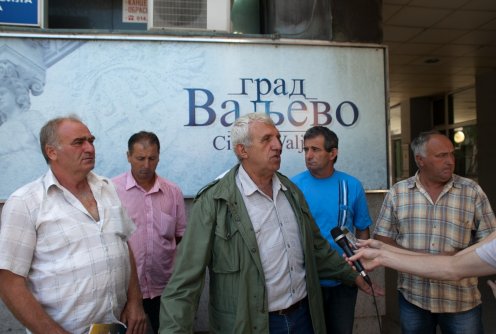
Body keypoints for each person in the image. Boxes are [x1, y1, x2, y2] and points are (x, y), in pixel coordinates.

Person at [159, 112, 380, 333]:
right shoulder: (214, 201)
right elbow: (184, 283)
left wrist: (352, 276)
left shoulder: (291, 192)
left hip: (303, 318)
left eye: (278, 138)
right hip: (253, 325)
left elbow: (318, 249)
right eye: (266, 139)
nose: (277, 145)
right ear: (242, 150)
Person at [0, 116, 147, 334]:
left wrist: (135, 302)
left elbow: (123, 246)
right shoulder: (25, 203)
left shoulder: (107, 188)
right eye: (79, 142)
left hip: (116, 327)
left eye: (91, 140)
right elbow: (9, 282)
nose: (90, 148)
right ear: (52, 152)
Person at [373, 130, 496, 334]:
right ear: (420, 160)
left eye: (451, 154)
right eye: (441, 156)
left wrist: (455, 261)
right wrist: (422, 260)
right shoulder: (398, 192)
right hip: (413, 296)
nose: (450, 161)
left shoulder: (471, 191)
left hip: (460, 300)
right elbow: (382, 239)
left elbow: (489, 241)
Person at [291, 126, 371, 334]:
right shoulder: (293, 186)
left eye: (315, 149)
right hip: (306, 281)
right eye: (306, 150)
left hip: (343, 280)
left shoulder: (351, 185)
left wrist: (360, 266)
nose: (309, 156)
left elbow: (362, 231)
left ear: (332, 153)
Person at [112, 131, 187, 334]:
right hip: (125, 293)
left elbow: (179, 236)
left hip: (164, 288)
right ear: (128, 156)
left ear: (159, 157)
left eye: (152, 158)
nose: (146, 165)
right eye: (140, 158)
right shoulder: (111, 191)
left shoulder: (173, 192)